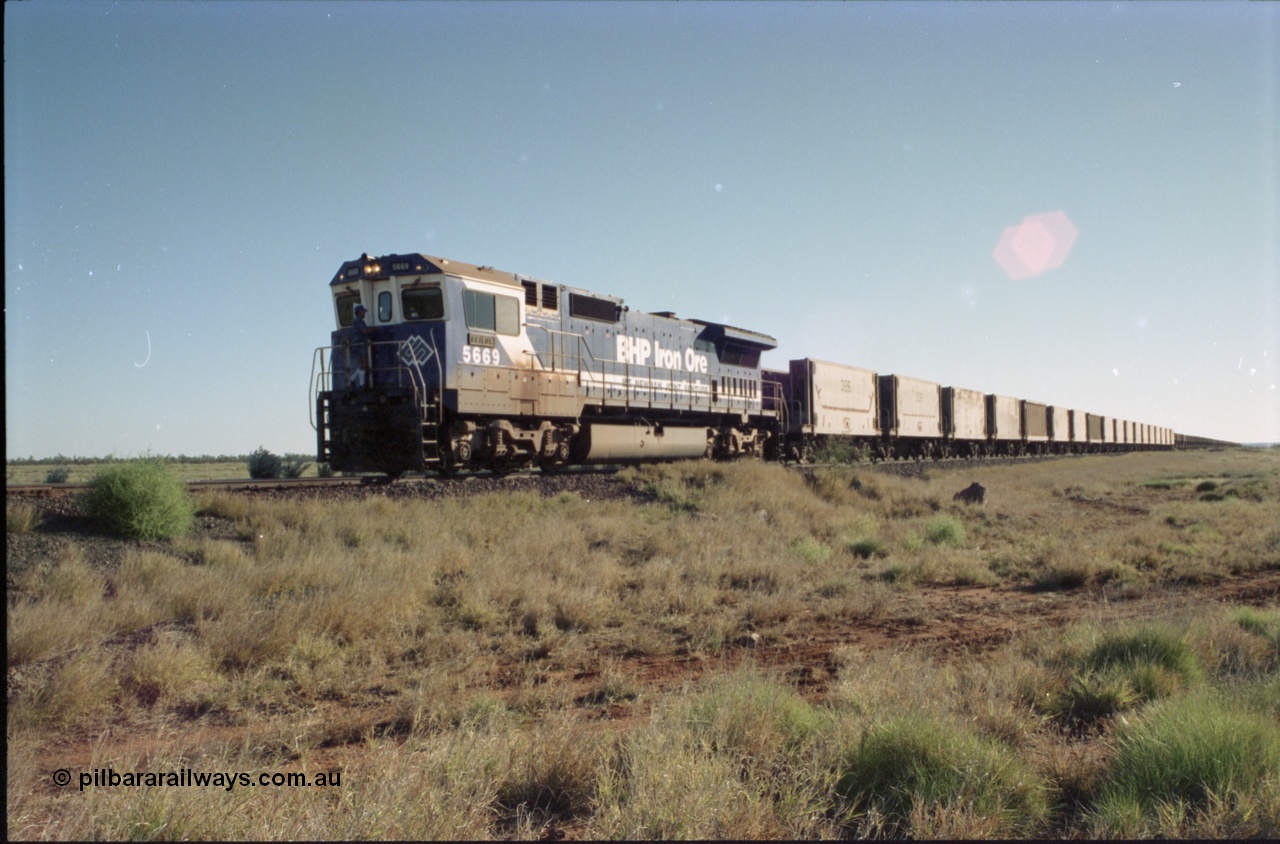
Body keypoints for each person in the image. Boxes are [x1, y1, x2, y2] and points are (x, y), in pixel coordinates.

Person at [349, 303, 373, 388]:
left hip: (359, 343)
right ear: (359, 312)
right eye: (363, 312)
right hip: (359, 343)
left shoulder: (358, 320)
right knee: (362, 363)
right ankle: (361, 383)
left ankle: (353, 378)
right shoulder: (358, 320)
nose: (364, 313)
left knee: (362, 363)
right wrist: (373, 329)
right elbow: (364, 331)